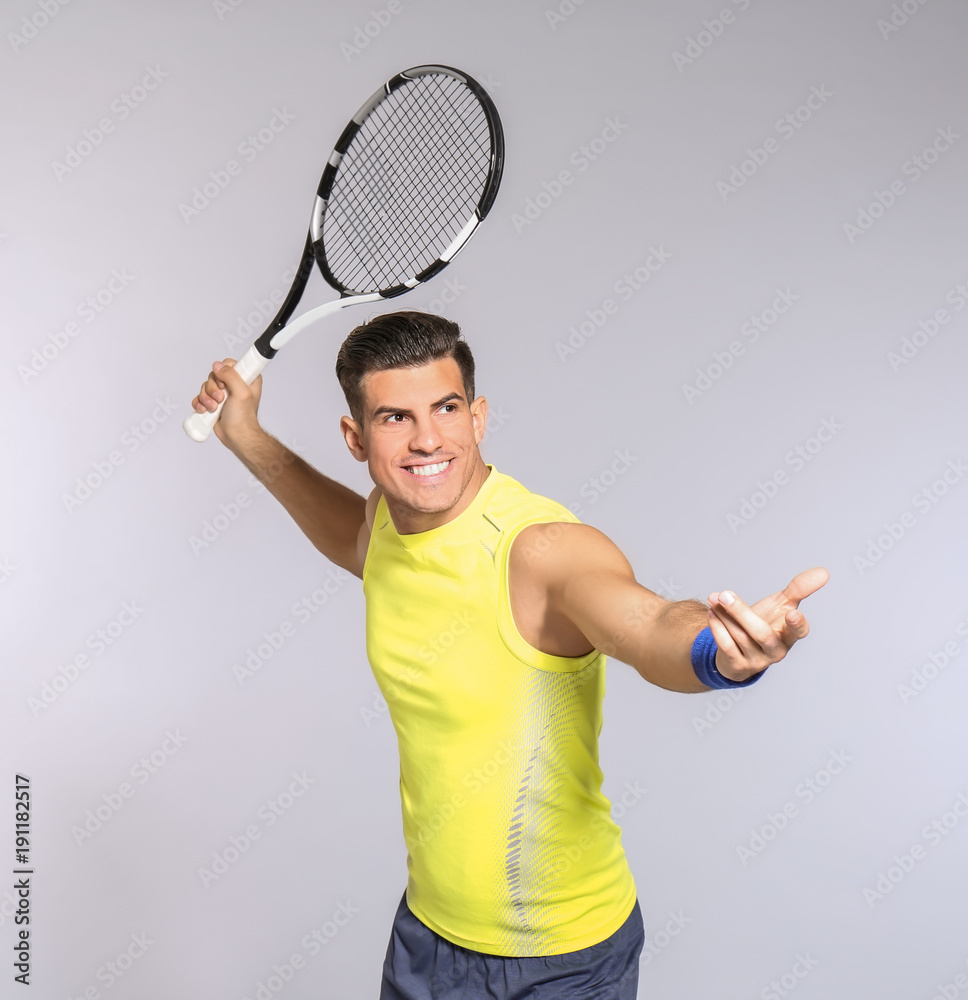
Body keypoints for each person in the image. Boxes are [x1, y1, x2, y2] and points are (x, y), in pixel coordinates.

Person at [191, 310, 828, 1000]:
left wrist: (718, 652)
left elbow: (648, 627)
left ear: (479, 417)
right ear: (355, 436)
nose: (428, 438)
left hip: (563, 961)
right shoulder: (383, 522)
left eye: (446, 407)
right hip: (428, 935)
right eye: (394, 419)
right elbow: (352, 536)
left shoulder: (539, 549)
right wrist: (246, 435)